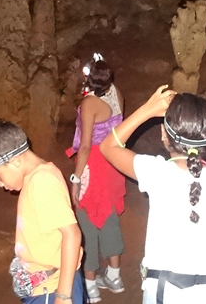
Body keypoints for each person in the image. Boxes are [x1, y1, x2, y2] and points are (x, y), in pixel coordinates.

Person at [99, 85, 206, 304]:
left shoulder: (156, 172)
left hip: (161, 292)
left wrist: (147, 110)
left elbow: (108, 147)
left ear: (164, 134)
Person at [0, 119, 87, 304]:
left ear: (15, 161)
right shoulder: (35, 179)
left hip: (53, 288)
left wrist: (63, 296)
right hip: (45, 284)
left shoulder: (42, 183)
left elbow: (72, 234)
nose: (0, 184)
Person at [66, 53, 127, 302]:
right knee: (110, 215)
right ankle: (114, 276)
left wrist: (76, 179)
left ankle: (90, 284)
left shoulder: (89, 104)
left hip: (94, 165)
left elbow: (85, 146)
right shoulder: (117, 94)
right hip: (114, 161)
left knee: (86, 219)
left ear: (88, 79)